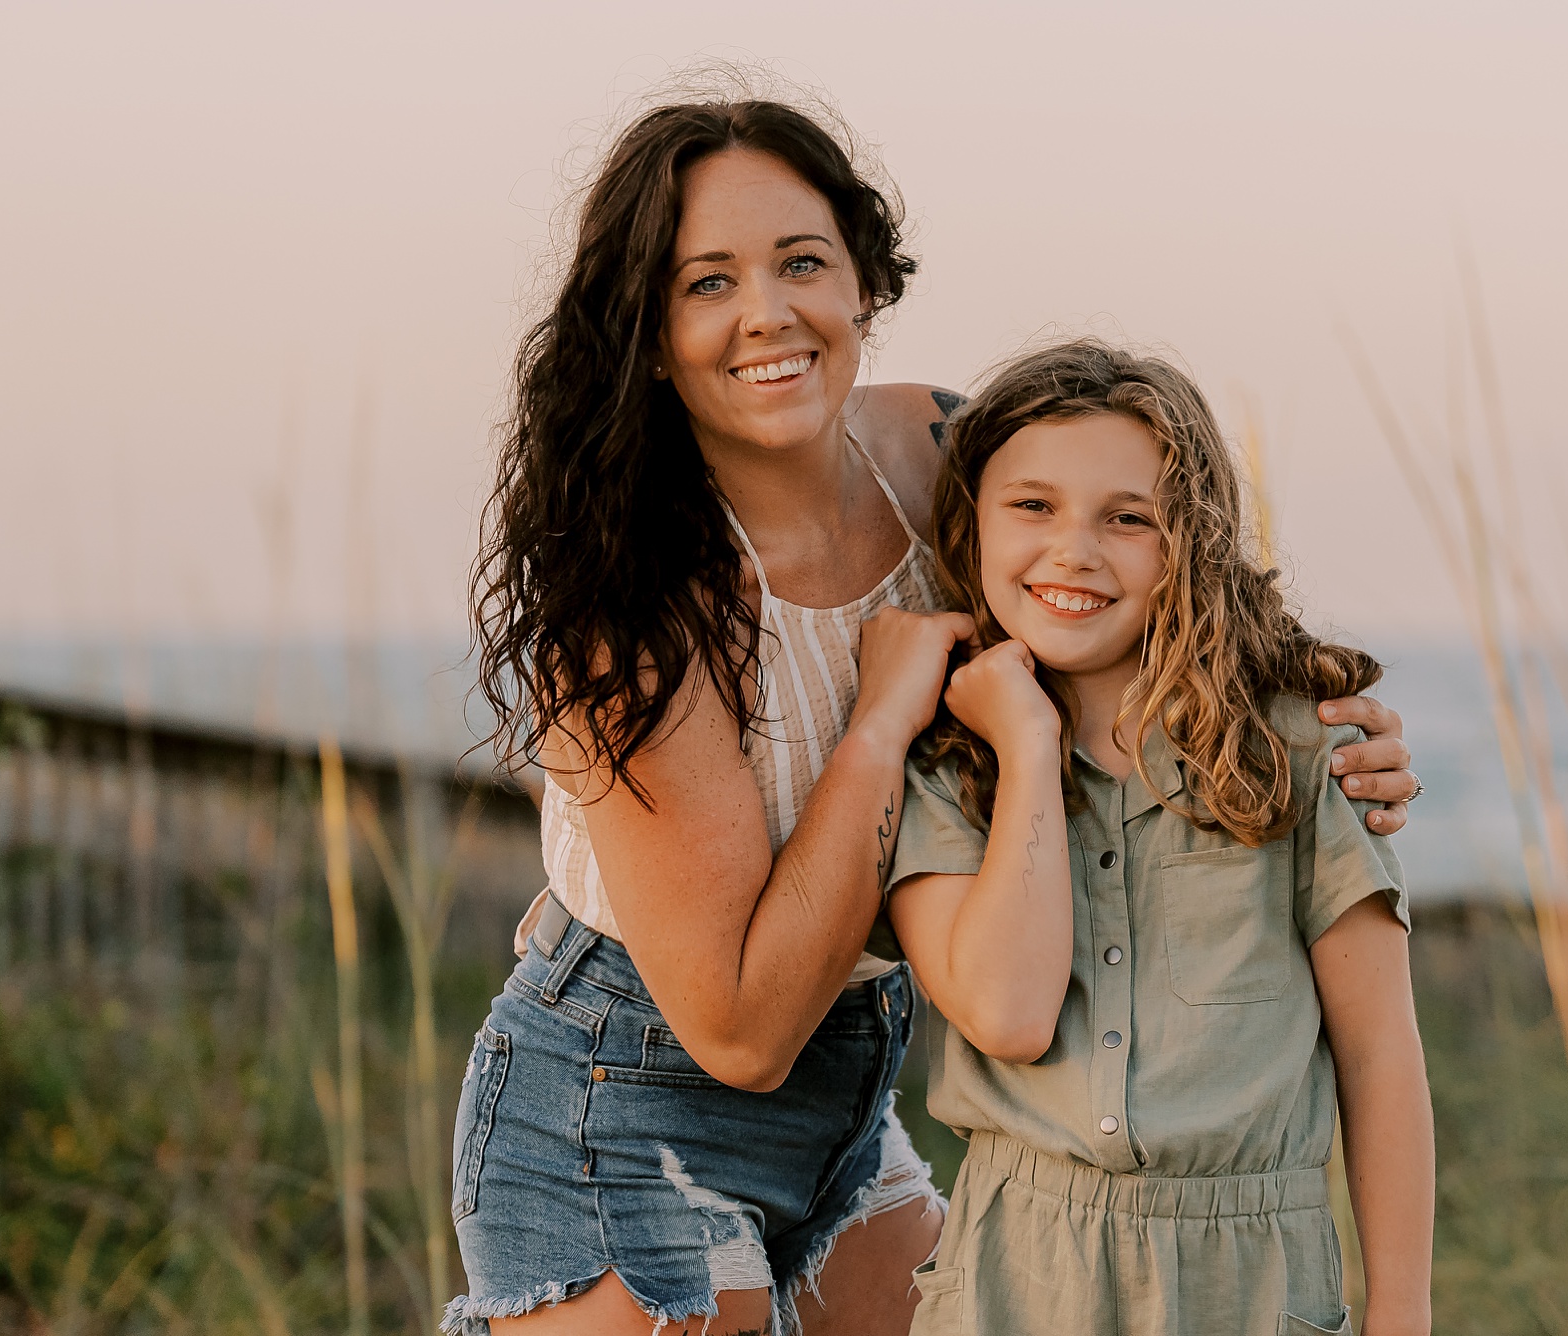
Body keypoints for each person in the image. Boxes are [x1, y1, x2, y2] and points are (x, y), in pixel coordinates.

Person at [449, 89, 1422, 1336]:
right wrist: (876, 718)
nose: (767, 312)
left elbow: (1127, 573)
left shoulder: (932, 447)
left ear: (862, 281)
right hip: (623, 1094)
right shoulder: (631, 609)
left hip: (854, 1082)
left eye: (803, 261)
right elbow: (739, 1030)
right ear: (645, 332)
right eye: (706, 283)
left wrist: (1318, 709)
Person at [887, 340, 1434, 1336]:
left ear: (1192, 542)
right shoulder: (939, 772)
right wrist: (1024, 742)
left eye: (1127, 518)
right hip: (1015, 1276)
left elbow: (1379, 1052)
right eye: (1032, 506)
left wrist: (1401, 1312)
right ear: (972, 528)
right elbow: (1005, 1014)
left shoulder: (1298, 751)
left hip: (1251, 1278)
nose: (1073, 551)